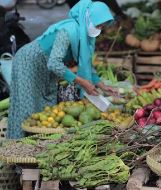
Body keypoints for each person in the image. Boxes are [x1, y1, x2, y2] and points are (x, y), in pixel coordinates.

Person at [7, 0, 114, 139]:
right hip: (29, 62)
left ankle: (39, 147)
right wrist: (81, 82)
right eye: (98, 24)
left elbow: (86, 62)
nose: (99, 29)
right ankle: (18, 148)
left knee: (46, 107)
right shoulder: (68, 30)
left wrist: (100, 84)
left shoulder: (85, 37)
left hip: (46, 68)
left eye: (102, 27)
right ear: (88, 18)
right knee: (27, 107)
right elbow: (54, 63)